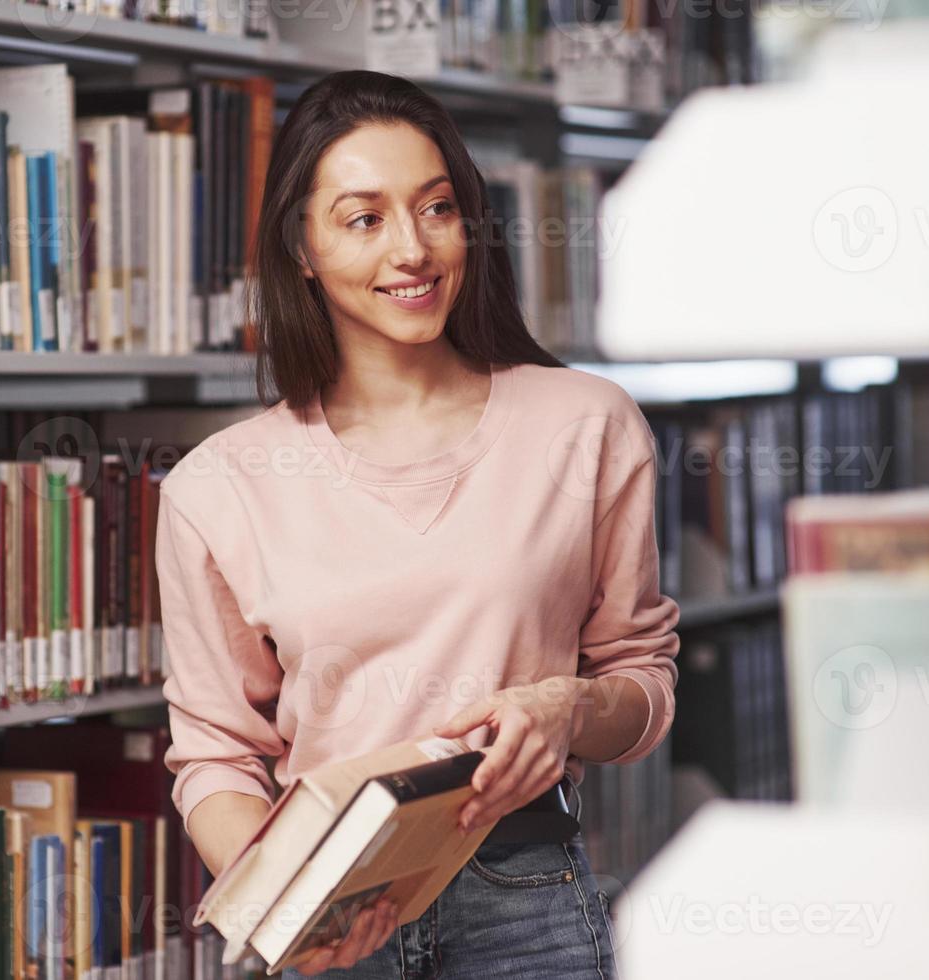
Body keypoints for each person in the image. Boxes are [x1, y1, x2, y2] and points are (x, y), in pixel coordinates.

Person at [157, 69, 680, 978]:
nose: (412, 249)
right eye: (365, 219)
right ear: (303, 248)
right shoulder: (218, 485)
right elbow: (216, 756)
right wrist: (286, 903)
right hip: (335, 913)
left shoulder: (584, 424)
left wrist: (571, 707)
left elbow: (641, 678)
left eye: (436, 209)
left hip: (525, 898)